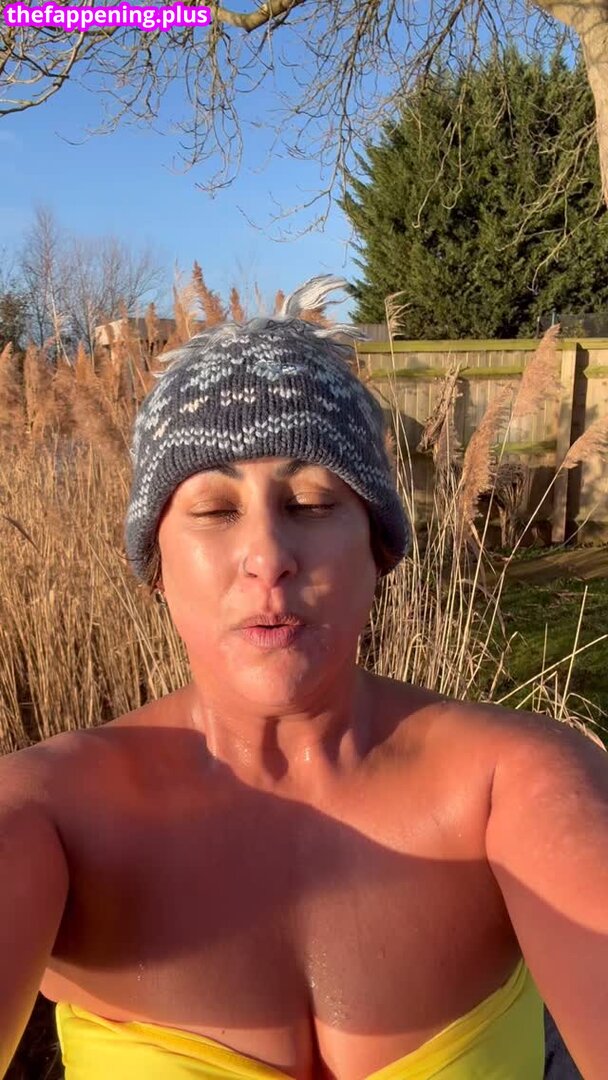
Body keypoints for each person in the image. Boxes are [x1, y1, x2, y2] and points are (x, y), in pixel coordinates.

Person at [0, 275, 606, 1080]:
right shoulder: (48, 818)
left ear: (378, 548)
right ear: (155, 563)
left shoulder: (519, 782)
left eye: (313, 504)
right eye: (215, 510)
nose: (268, 557)